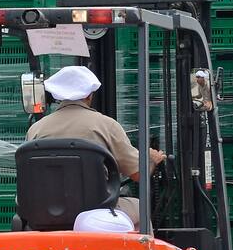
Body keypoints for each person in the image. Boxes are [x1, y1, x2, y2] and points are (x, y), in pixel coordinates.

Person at [25, 65, 165, 227]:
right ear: (89, 95)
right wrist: (151, 159)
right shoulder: (106, 126)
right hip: (98, 211)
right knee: (140, 209)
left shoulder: (36, 129)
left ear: (58, 95)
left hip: (45, 213)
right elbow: (138, 174)